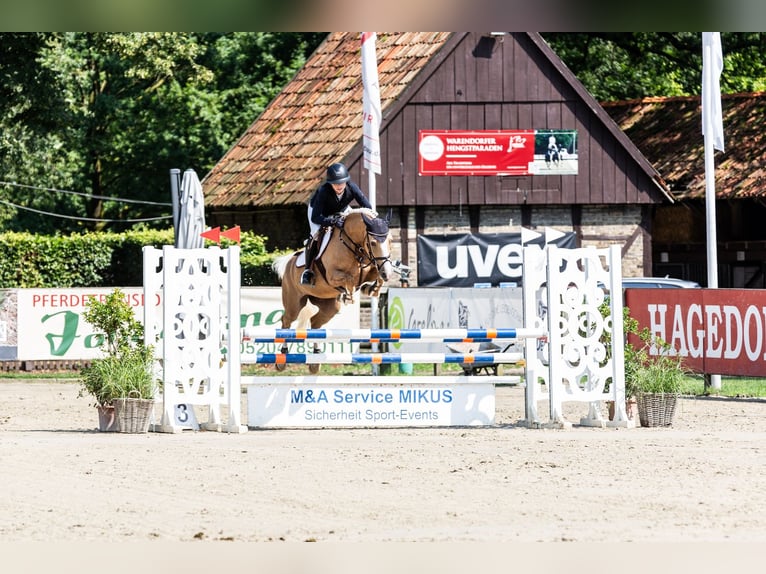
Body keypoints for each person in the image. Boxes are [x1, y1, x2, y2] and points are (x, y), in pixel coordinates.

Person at [300, 162, 373, 285]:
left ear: (346, 181)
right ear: (330, 183)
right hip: (319, 213)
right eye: (335, 183)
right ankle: (308, 270)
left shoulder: (352, 187)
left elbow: (368, 207)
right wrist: (332, 222)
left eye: (342, 182)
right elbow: (315, 218)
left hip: (341, 210)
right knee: (315, 234)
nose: (339, 186)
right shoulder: (323, 191)